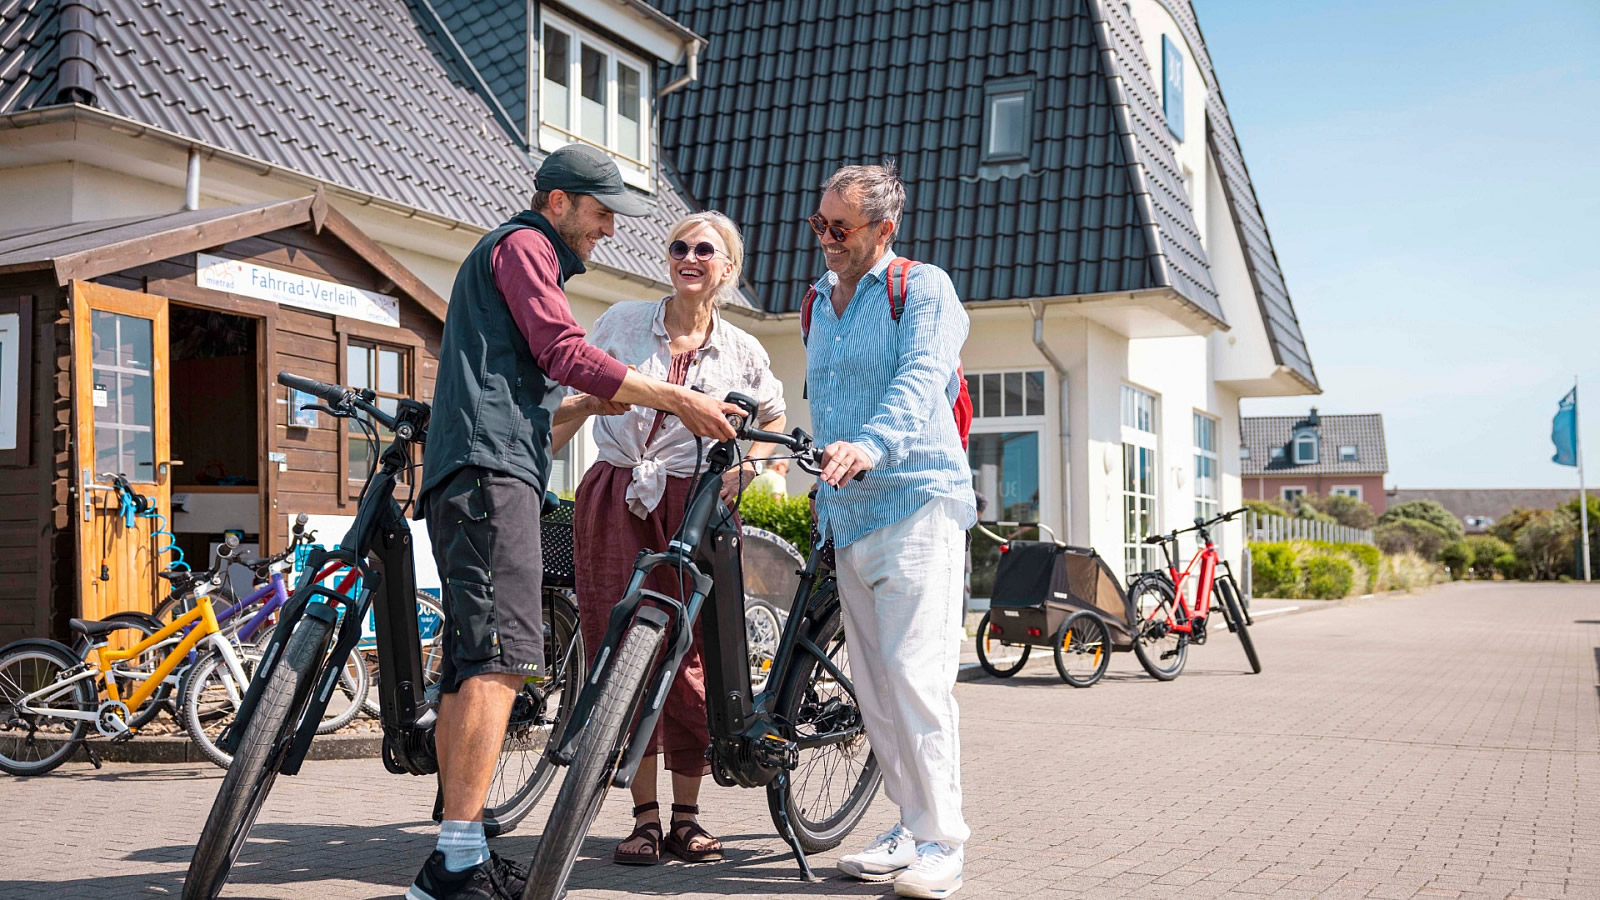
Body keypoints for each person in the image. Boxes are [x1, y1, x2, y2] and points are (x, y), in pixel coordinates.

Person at [408, 145, 739, 900]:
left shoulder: (509, 254)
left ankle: (452, 856)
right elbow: (562, 348)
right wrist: (679, 400)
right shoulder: (526, 245)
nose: (608, 230)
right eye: (599, 213)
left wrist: (592, 402)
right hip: (494, 473)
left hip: (471, 467)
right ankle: (455, 864)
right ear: (558, 203)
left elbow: (542, 371)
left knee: (470, 664)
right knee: (503, 659)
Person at [555, 210, 786, 867]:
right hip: (617, 493)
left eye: (704, 250)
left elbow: (773, 416)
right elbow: (563, 400)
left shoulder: (743, 349)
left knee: (692, 657)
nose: (689, 257)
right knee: (621, 644)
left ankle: (688, 817)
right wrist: (589, 407)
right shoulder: (622, 323)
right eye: (679, 246)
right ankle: (644, 816)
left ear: (728, 269)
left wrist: (754, 470)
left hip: (700, 499)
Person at [805, 162, 975, 899]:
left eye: (839, 228)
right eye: (819, 224)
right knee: (874, 688)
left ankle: (945, 840)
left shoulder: (922, 288)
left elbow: (917, 382)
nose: (826, 240)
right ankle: (909, 826)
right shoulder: (816, 301)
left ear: (884, 229)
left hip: (917, 502)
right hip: (848, 515)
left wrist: (869, 446)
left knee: (918, 675)